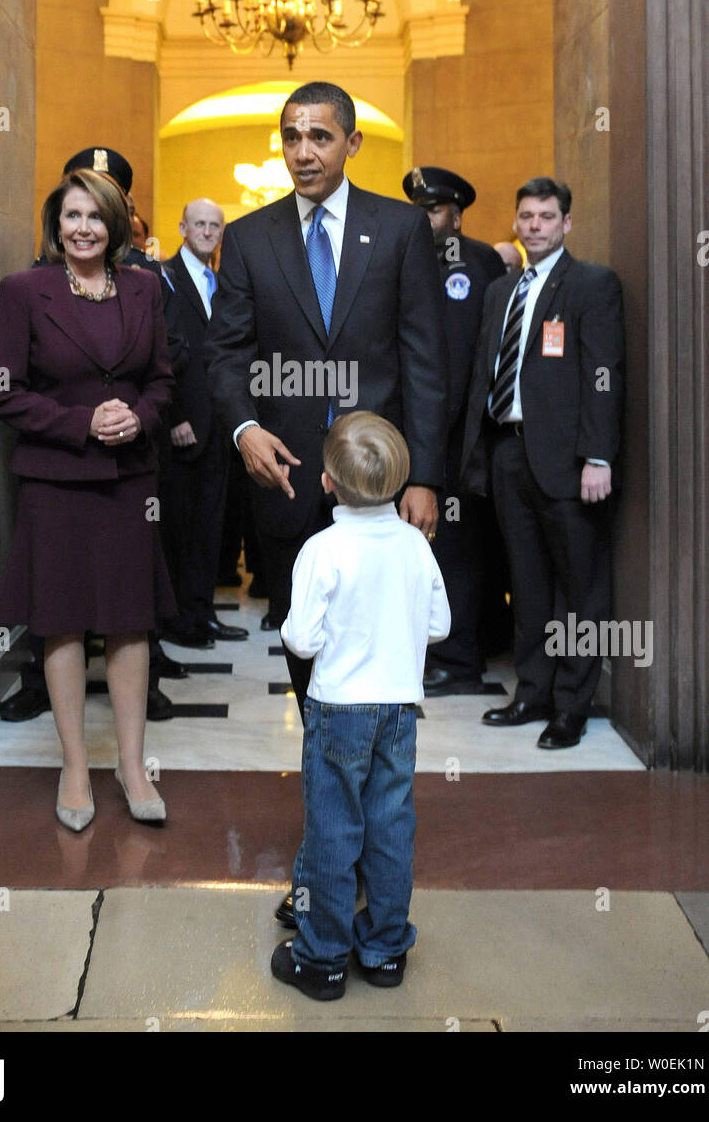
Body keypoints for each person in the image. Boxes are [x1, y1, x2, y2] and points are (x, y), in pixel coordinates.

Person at [207, 79, 448, 927]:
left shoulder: (401, 231)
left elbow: (424, 359)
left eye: (318, 135)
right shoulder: (248, 238)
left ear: (351, 143)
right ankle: (331, 866)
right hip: (282, 492)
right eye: (290, 136)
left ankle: (359, 879)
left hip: (382, 500)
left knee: (381, 693)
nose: (302, 150)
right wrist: (241, 427)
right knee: (314, 692)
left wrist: (423, 477)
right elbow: (226, 354)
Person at [0, 168, 175, 828]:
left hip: (130, 483)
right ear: (55, 225)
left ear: (115, 225)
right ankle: (73, 765)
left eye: (95, 217)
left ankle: (131, 765)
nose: (84, 228)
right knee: (61, 619)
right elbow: (2, 389)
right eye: (72, 216)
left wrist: (140, 418)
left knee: (129, 619)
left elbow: (163, 382)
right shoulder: (24, 291)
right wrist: (81, 422)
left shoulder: (146, 291)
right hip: (57, 479)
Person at [271, 412, 450, 1000]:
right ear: (399, 480)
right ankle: (384, 950)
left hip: (338, 710)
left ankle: (322, 958)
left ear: (327, 482)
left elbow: (301, 639)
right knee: (391, 823)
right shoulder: (416, 547)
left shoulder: (322, 549)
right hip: (399, 709)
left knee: (333, 828)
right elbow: (440, 625)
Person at [461, 177, 625, 749]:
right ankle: (531, 692)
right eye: (526, 216)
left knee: (580, 591)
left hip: (569, 462)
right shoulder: (499, 292)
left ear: (566, 225)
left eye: (546, 217)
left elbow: (604, 378)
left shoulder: (591, 285)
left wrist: (597, 457)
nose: (534, 225)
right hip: (509, 455)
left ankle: (571, 707)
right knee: (526, 585)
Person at [402, 166, 508, 695]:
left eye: (433, 209)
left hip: (458, 437)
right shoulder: (412, 256)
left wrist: (437, 440)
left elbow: (461, 359)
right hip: (424, 433)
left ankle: (460, 659)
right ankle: (446, 650)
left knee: (457, 549)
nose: (424, 217)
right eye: (418, 208)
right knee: (433, 548)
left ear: (456, 215)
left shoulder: (471, 262)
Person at [160, 199, 248, 646]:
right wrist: (174, 415)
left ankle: (202, 612)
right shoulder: (164, 278)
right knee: (177, 527)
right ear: (182, 228)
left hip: (221, 424)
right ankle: (176, 620)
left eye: (215, 226)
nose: (208, 232)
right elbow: (160, 351)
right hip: (184, 425)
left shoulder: (226, 282)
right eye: (200, 224)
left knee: (211, 526)